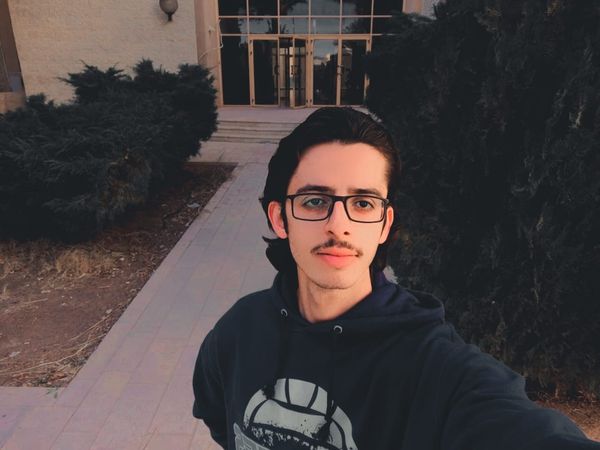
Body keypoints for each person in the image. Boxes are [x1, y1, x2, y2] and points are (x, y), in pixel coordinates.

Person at [192, 107, 599, 449]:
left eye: (363, 203)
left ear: (384, 224)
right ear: (280, 218)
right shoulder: (239, 331)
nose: (338, 224)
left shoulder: (434, 368)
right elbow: (221, 420)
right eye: (315, 201)